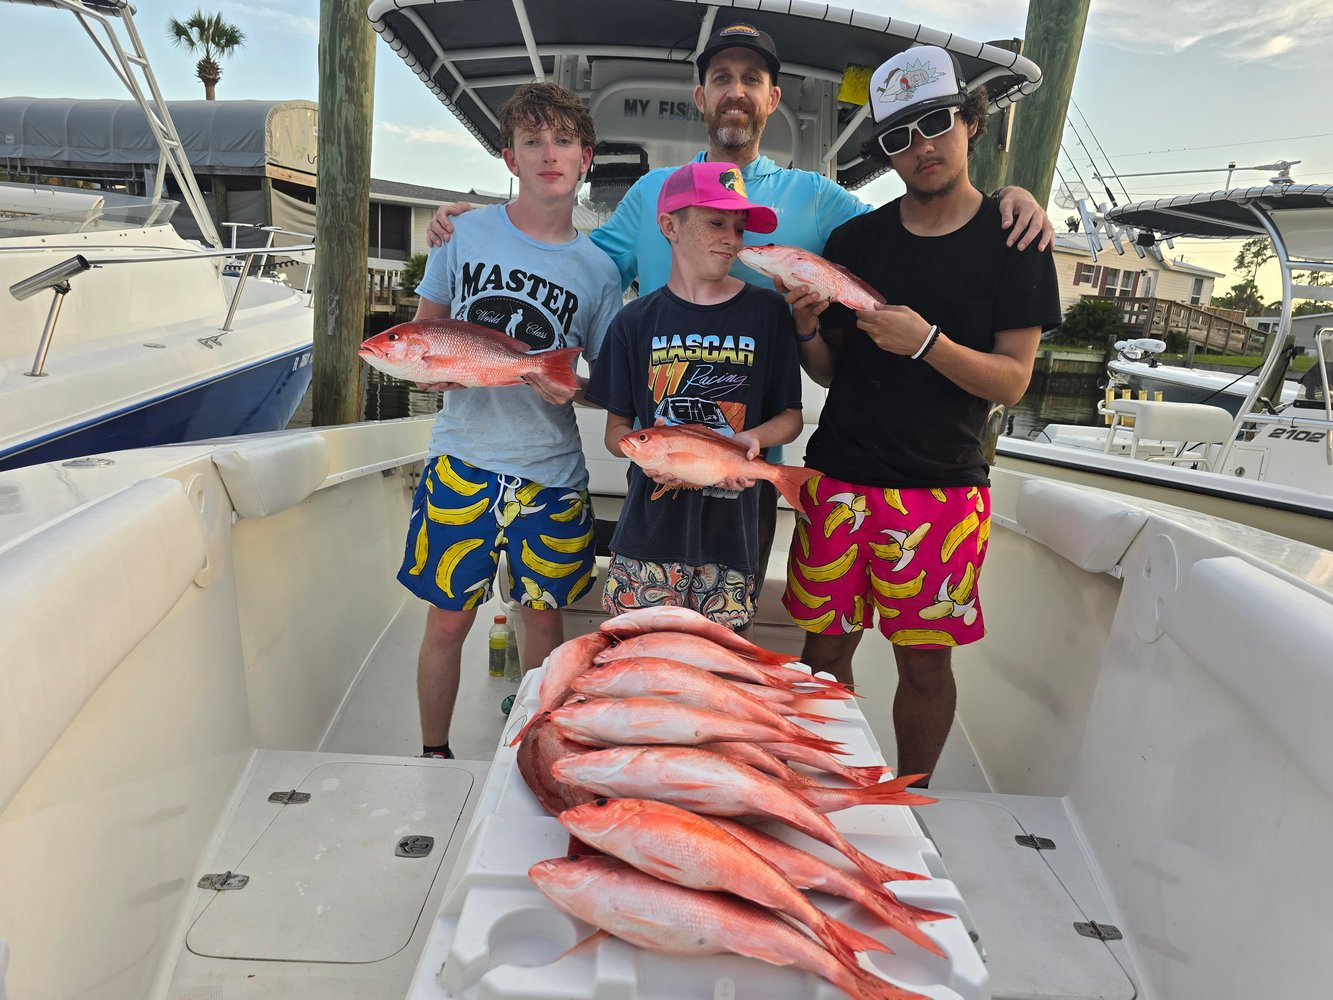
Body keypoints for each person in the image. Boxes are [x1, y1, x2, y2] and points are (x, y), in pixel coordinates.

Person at [427, 23, 1055, 604]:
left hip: (746, 483)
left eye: (751, 79)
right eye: (722, 78)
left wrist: (1009, 198)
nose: (736, 91)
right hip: (661, 484)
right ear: (700, 97)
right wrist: (486, 223)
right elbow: (575, 264)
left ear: (773, 98)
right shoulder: (651, 194)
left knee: (731, 628)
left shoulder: (819, 199)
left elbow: (909, 221)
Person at [781, 46, 1062, 786]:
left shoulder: (1013, 239)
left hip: (941, 492)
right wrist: (807, 328)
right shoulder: (853, 243)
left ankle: (913, 801)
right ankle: (815, 792)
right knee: (821, 656)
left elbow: (1011, 381)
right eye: (897, 138)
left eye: (934, 124)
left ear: (971, 123)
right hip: (837, 481)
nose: (920, 148)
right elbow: (830, 370)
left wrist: (927, 343)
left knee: (925, 666)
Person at [401, 82, 622, 759]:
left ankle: (532, 753)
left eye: (561, 142)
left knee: (543, 623)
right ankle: (434, 753)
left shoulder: (599, 270)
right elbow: (422, 336)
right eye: (533, 142)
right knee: (445, 623)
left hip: (549, 473)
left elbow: (599, 386)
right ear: (509, 158)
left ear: (586, 159)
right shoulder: (461, 232)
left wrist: (569, 390)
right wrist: (431, 367)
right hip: (461, 459)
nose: (547, 153)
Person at [583, 161, 807, 632]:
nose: (732, 237)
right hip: (647, 535)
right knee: (640, 670)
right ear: (670, 226)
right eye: (716, 222)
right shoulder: (634, 322)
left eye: (739, 227)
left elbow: (789, 416)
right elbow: (616, 433)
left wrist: (752, 440)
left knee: (714, 682)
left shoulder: (768, 314)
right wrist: (652, 458)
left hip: (734, 540)